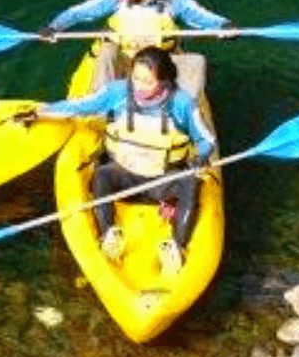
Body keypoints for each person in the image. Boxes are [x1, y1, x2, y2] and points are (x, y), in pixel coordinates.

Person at [33, 46, 216, 274]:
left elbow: (206, 139)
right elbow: (79, 106)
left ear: (166, 80)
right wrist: (42, 112)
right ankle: (110, 232)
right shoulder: (117, 92)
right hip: (124, 178)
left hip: (162, 187)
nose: (139, 86)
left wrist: (201, 157)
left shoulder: (182, 103)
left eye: (148, 82)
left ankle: (176, 246)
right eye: (136, 78)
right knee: (102, 174)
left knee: (189, 182)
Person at [41, 0, 233, 90]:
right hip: (122, 56)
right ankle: (101, 104)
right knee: (107, 50)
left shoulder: (172, 0)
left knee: (197, 62)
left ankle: (180, 109)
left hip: (157, 61)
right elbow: (82, 11)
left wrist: (223, 26)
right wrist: (55, 26)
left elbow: (199, 15)